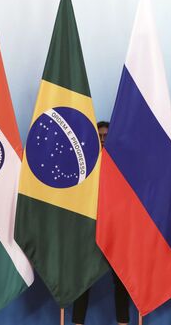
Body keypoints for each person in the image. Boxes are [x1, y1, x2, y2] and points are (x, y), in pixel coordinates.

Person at [72, 121, 130, 325]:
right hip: (89, 232)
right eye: (99, 136)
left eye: (106, 135)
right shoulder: (83, 166)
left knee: (122, 281)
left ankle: (123, 321)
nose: (103, 139)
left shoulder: (123, 166)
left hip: (116, 232)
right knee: (82, 282)